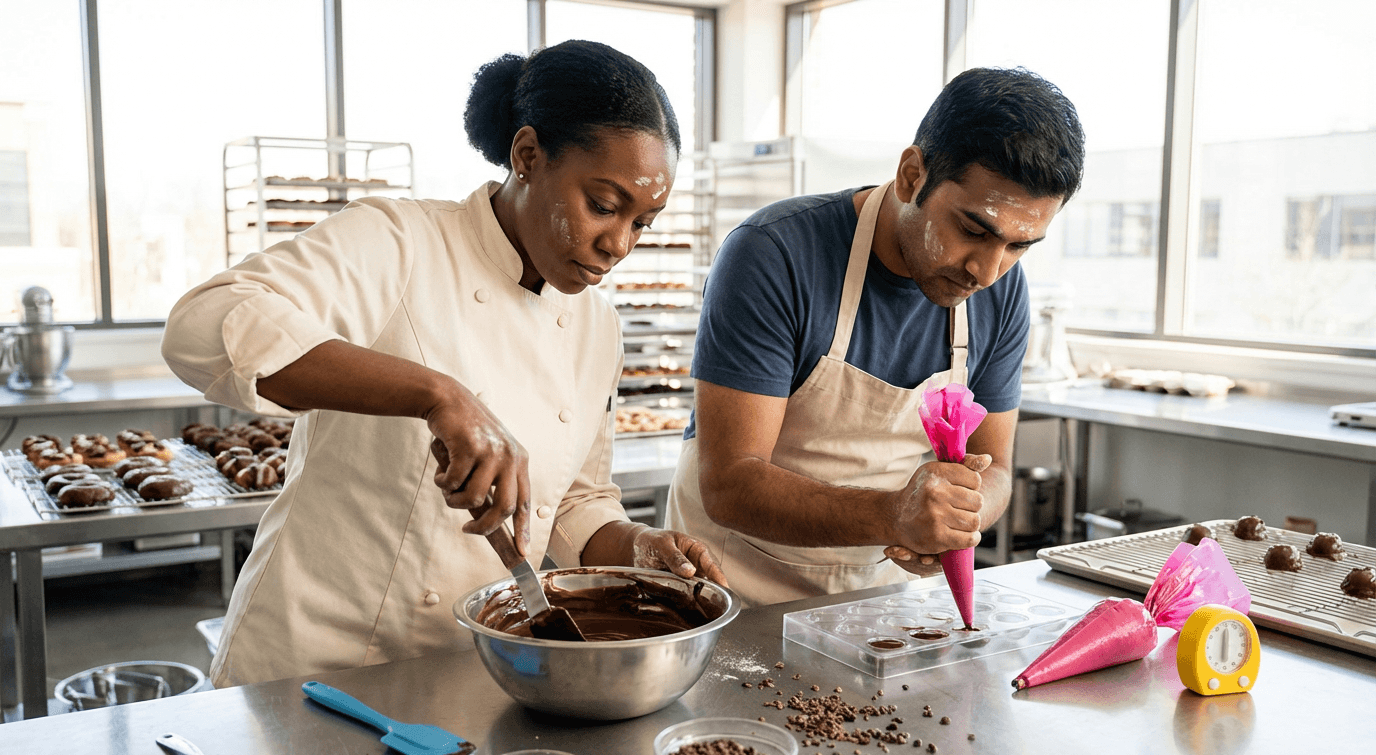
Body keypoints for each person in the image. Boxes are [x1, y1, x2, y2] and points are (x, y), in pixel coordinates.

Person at [163, 40, 725, 687]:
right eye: (602, 205)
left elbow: (570, 501)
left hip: (472, 671)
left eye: (643, 224)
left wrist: (634, 546)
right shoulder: (402, 242)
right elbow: (203, 325)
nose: (618, 245)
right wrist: (437, 393)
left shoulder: (597, 324)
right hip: (311, 664)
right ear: (528, 156)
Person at [665, 67, 1085, 606]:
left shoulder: (1002, 293)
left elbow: (996, 467)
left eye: (1020, 245)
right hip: (736, 596)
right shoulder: (774, 255)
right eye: (974, 230)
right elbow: (729, 484)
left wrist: (963, 514)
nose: (987, 269)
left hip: (881, 609)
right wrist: (895, 516)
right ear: (912, 174)